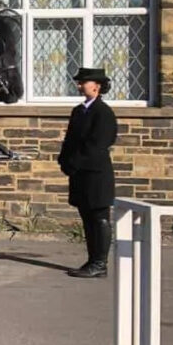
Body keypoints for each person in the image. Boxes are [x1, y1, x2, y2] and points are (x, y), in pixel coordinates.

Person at [57, 67, 117, 278]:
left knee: (99, 217)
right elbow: (70, 140)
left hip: (96, 173)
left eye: (84, 82)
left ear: (97, 86)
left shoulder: (103, 113)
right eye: (79, 82)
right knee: (86, 217)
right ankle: (92, 261)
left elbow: (97, 145)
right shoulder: (79, 110)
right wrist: (64, 160)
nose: (79, 85)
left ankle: (100, 263)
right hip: (80, 173)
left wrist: (75, 162)